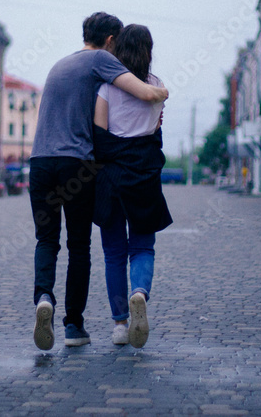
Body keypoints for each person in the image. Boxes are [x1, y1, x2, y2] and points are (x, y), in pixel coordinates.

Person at [30, 12, 169, 351]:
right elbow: (149, 98)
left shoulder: (61, 65)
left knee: (48, 241)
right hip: (78, 165)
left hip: (41, 163)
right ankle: (74, 326)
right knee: (81, 247)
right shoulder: (102, 63)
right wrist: (162, 92)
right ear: (110, 42)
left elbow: (100, 125)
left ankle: (45, 297)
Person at [92, 24, 172, 348]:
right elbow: (155, 129)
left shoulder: (106, 88)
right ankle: (139, 291)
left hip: (111, 179)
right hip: (145, 176)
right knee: (142, 247)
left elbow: (99, 137)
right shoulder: (157, 85)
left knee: (113, 254)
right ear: (149, 52)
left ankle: (120, 324)